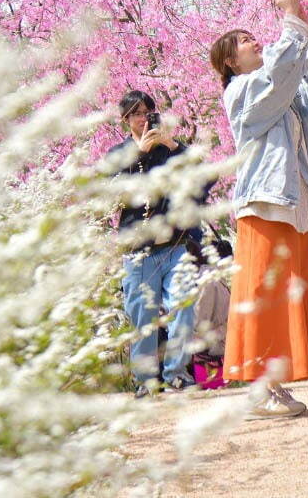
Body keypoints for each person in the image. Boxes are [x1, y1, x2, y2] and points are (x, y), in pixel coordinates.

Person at [209, 0, 308, 419]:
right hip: (264, 203)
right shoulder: (243, 92)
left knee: (283, 297)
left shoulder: (283, 100)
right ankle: (259, 387)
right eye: (245, 41)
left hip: (291, 205)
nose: (254, 42)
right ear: (231, 61)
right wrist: (290, 22)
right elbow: (279, 75)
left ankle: (273, 384)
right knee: (263, 296)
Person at [109, 89, 201, 397]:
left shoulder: (167, 148)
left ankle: (176, 374)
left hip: (175, 245)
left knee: (184, 305)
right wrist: (139, 154)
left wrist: (172, 145)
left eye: (147, 112)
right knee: (143, 318)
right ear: (125, 120)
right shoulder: (119, 154)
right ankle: (146, 381)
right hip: (138, 252)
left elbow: (199, 172)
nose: (143, 119)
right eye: (136, 114)